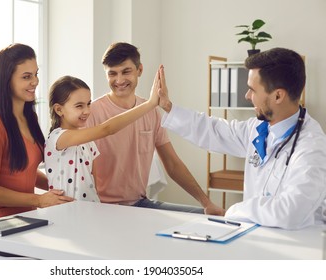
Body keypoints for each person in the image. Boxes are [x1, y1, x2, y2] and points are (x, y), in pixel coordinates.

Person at [158, 47, 326, 230]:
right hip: (256, 236)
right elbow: (214, 130)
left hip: (300, 247)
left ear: (278, 95)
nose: (247, 96)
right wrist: (168, 106)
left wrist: (233, 212)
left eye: (252, 90)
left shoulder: (312, 147)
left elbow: (290, 211)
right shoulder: (258, 128)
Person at [86, 42, 224, 215]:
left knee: (206, 218)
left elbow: (172, 164)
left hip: (140, 204)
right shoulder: (92, 112)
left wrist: (206, 203)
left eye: (126, 71)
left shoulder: (151, 112)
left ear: (140, 70)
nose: (119, 80)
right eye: (112, 74)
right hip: (102, 208)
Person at [0, 43, 73, 222]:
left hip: (28, 217)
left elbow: (25, 171)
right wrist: (39, 200)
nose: (35, 82)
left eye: (36, 74)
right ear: (7, 81)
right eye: (26, 76)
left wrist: (64, 189)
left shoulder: (30, 118)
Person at [44, 73, 161, 202]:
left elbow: (95, 184)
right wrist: (150, 104)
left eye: (88, 104)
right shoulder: (58, 138)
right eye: (79, 106)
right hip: (66, 213)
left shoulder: (88, 143)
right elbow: (107, 129)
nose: (87, 111)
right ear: (59, 110)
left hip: (90, 210)